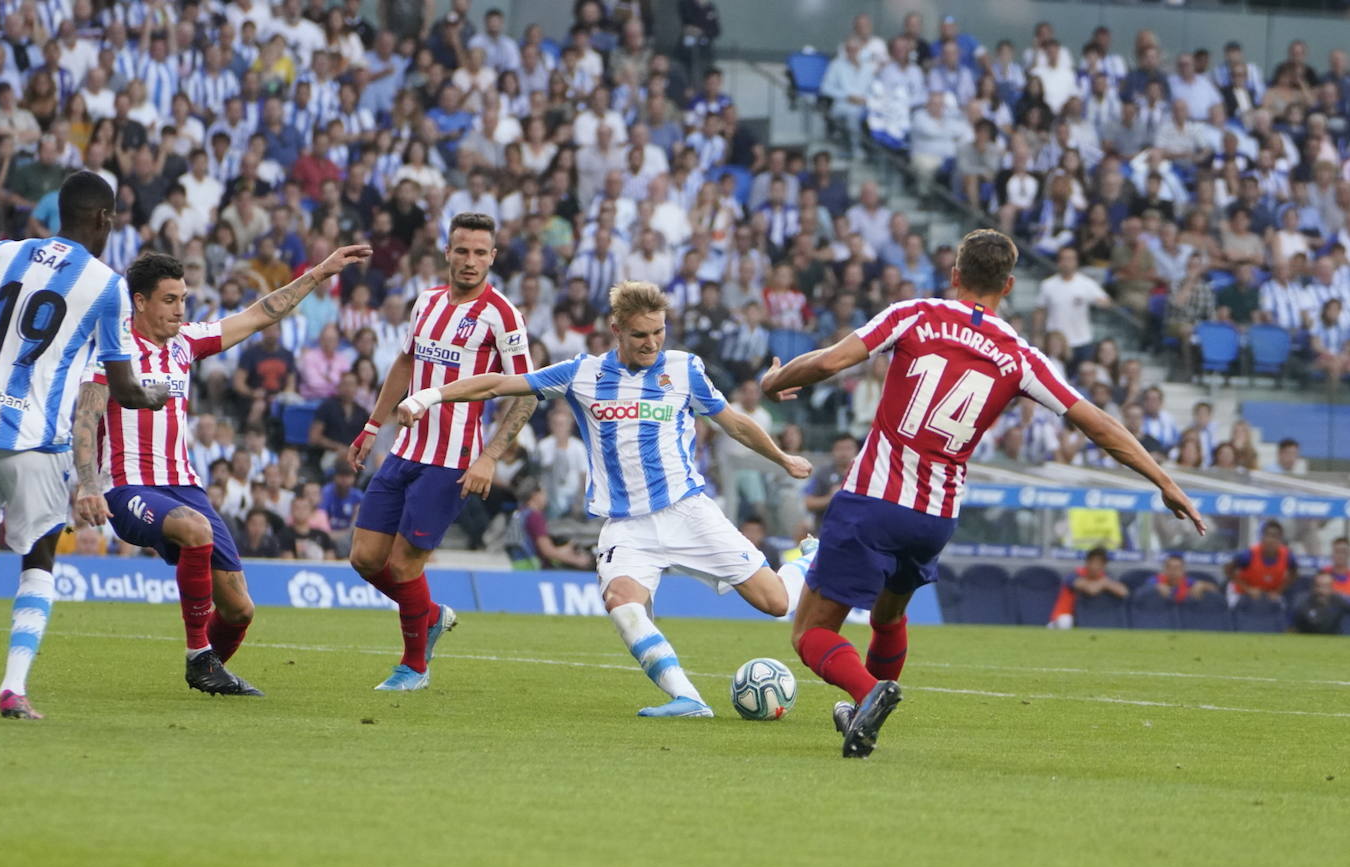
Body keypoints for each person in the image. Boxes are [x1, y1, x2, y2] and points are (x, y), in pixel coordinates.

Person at [758, 228, 1206, 757]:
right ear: (1009, 285)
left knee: (809, 633)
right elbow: (1096, 422)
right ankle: (864, 715)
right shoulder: (1019, 355)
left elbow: (833, 361)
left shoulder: (914, 314)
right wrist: (1166, 481)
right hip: (934, 518)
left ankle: (867, 692)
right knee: (887, 617)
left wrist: (776, 380)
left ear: (955, 274)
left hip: (874, 501)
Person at [397, 280, 819, 718]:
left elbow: (735, 423)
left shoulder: (685, 369)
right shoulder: (583, 374)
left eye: (659, 331)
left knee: (777, 604)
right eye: (640, 334)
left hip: (687, 511)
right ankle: (687, 698)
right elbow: (500, 385)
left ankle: (807, 561)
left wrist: (783, 457)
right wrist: (430, 395)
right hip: (626, 525)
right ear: (616, 330)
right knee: (622, 602)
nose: (651, 342)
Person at [72, 243, 371, 696]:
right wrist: (88, 487)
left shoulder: (186, 343)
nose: (179, 309)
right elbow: (86, 418)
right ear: (140, 301)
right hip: (127, 486)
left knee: (239, 610)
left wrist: (320, 273)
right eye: (169, 299)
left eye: (184, 299)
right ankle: (198, 655)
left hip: (184, 487)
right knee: (195, 530)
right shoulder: (112, 350)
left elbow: (258, 315)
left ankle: (208, 669)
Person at [0, 171, 168, 720]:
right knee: (37, 558)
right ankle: (13, 687)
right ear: (105, 219)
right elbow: (123, 388)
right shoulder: (106, 285)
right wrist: (156, 395)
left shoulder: (2, 254)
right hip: (35, 441)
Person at [346, 213, 536, 692]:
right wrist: (372, 425)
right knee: (366, 558)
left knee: (406, 565)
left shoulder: (503, 316)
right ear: (446, 252)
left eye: (480, 253)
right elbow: (405, 362)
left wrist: (490, 456)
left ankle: (414, 667)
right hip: (406, 449)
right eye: (462, 250)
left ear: (492, 257)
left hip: (453, 461)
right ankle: (430, 614)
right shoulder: (426, 302)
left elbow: (527, 392)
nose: (470, 261)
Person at [1048, 547, 1130, 630]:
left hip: (1081, 621)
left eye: (1099, 563)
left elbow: (1124, 592)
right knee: (1066, 620)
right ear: (1087, 562)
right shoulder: (1074, 575)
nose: (1095, 567)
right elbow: (1091, 589)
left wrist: (1106, 583)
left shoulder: (1105, 577)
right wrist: (1105, 583)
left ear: (1104, 565)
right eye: (1093, 562)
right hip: (1060, 620)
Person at [1225, 520, 1297, 604]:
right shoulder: (1249, 554)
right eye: (1268, 535)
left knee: (1281, 606)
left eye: (1275, 537)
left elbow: (1294, 573)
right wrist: (1248, 589)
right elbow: (1228, 570)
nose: (1271, 540)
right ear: (1262, 537)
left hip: (1268, 594)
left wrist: (1278, 591)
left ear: (1280, 540)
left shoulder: (1288, 556)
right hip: (1242, 592)